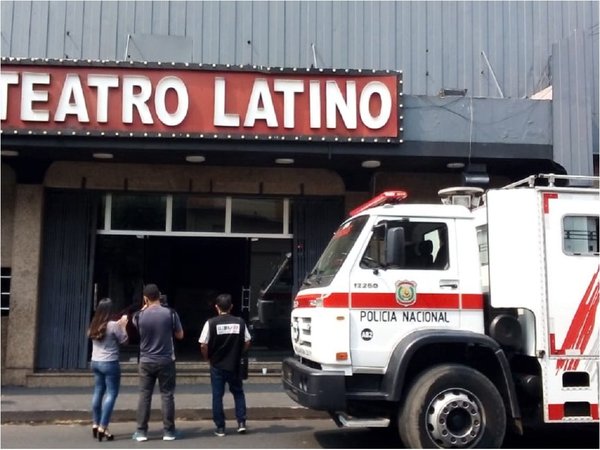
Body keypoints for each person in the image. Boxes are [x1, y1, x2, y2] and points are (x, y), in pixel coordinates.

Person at [131, 283, 184, 442]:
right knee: (167, 395)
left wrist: (144, 306)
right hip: (166, 360)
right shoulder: (171, 314)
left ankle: (141, 432)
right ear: (159, 296)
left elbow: (137, 326)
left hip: (146, 361)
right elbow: (180, 335)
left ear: (145, 298)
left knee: (144, 396)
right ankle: (169, 431)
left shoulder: (138, 316)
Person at [199, 293, 252, 436]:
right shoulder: (240, 322)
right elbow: (247, 341)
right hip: (234, 365)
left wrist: (208, 358)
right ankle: (241, 423)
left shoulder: (211, 323)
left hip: (217, 365)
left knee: (217, 396)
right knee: (238, 393)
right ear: (231, 307)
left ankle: (220, 427)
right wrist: (239, 352)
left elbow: (203, 344)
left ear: (216, 307)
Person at [88, 298, 129, 442]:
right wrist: (123, 325)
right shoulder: (113, 325)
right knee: (111, 394)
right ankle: (103, 426)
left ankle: (95, 423)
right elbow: (125, 341)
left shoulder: (94, 323)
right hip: (110, 363)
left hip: (95, 362)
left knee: (98, 391)